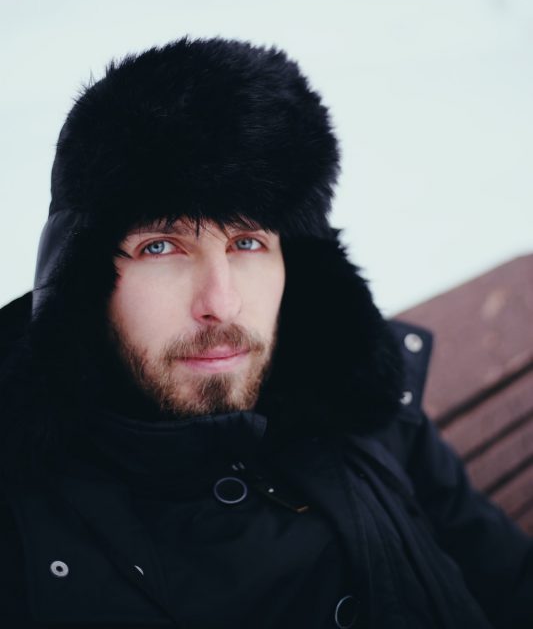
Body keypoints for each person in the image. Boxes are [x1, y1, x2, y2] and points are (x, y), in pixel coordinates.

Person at [0, 37, 531, 629]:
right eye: (161, 246)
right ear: (83, 281)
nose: (220, 304)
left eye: (248, 242)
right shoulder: (26, 523)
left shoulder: (361, 405)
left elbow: (509, 576)